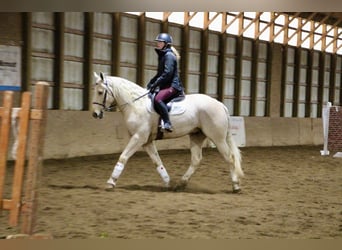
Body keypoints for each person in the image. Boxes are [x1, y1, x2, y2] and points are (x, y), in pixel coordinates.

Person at [147, 33, 184, 132]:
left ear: (166, 44)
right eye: (157, 42)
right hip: (166, 85)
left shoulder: (169, 56)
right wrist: (151, 83)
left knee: (158, 99)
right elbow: (160, 73)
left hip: (173, 86)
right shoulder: (163, 55)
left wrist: (156, 84)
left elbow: (167, 74)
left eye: (160, 42)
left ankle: (167, 123)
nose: (158, 43)